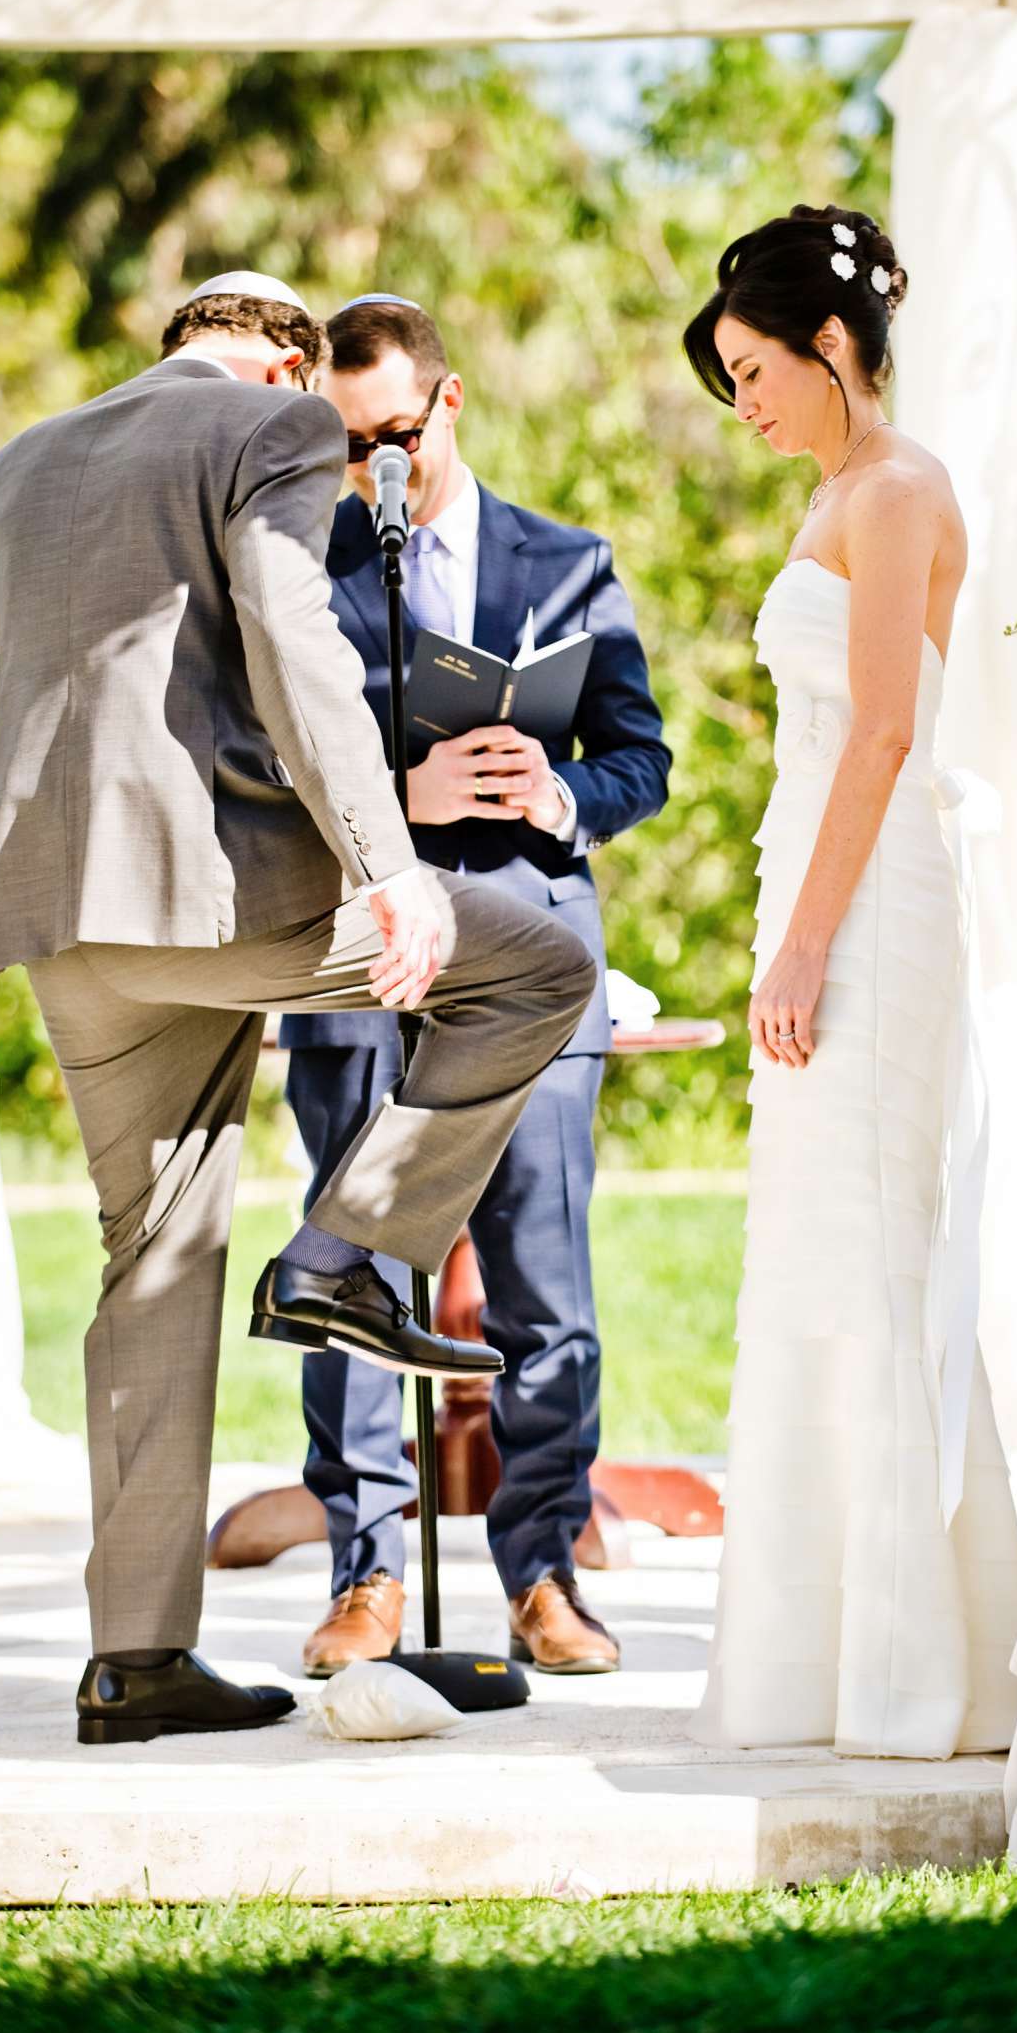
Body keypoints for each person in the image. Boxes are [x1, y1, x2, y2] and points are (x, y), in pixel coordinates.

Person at [0, 274, 596, 1748]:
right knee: (537, 968)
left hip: (72, 942)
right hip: (233, 903)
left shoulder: (4, 474)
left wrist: (15, 881)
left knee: (148, 1259)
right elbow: (297, 643)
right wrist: (394, 872)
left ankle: (136, 1662)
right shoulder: (271, 432)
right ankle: (349, 1252)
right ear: (283, 363)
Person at [279, 294, 671, 1681]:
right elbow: (257, 777)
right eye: (342, 446)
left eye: (390, 434)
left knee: (544, 1296)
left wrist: (562, 794)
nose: (371, 468)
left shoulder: (568, 563)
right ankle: (367, 1576)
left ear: (447, 406)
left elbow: (645, 759)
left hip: (531, 946)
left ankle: (543, 1572)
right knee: (350, 1282)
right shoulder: (289, 570)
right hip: (354, 966)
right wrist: (399, 789)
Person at [682, 209, 1017, 1757]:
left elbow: (885, 732)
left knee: (873, 1256)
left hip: (874, 908)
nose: (743, 403)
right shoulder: (838, 492)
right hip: (824, 889)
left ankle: (905, 1673)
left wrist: (811, 940)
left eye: (756, 370)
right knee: (817, 1259)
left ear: (833, 348)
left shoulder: (899, 490)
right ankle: (820, 1658)